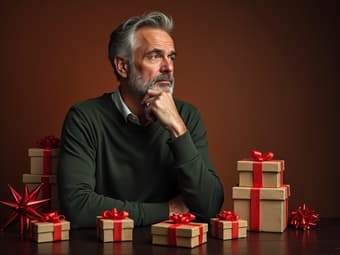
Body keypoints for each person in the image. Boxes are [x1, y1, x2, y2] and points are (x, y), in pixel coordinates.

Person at [57, 11, 224, 228]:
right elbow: (77, 207)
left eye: (171, 57)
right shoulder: (84, 118)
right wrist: (169, 210)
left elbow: (209, 206)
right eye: (155, 56)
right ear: (123, 66)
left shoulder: (187, 117)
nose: (168, 67)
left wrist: (177, 129)